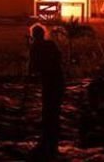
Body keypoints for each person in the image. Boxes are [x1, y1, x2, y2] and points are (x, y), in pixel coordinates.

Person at [28, 24, 65, 160]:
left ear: (33, 35)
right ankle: (53, 136)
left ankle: (47, 135)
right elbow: (58, 58)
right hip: (58, 77)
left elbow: (34, 67)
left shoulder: (35, 48)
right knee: (55, 105)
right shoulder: (50, 44)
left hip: (48, 79)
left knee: (48, 105)